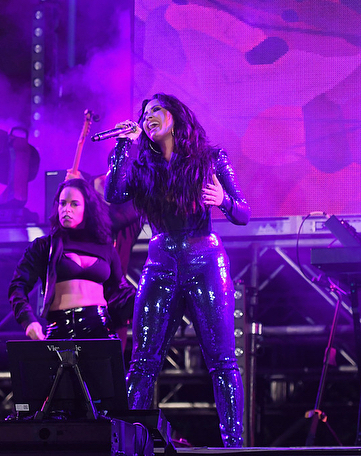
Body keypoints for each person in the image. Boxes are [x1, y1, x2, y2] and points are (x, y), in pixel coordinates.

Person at [105, 93, 251, 447]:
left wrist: (224, 201)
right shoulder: (142, 167)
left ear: (175, 116)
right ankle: (127, 445)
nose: (148, 116)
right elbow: (113, 193)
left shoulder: (211, 159)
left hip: (205, 260)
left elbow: (243, 213)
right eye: (144, 113)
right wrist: (124, 145)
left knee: (222, 361)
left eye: (156, 110)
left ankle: (234, 445)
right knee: (143, 361)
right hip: (160, 263)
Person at [8, 178, 136, 340]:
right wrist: (28, 321)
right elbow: (18, 286)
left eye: (74, 204)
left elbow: (120, 291)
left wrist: (148, 300)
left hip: (101, 328)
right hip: (60, 328)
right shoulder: (44, 246)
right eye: (62, 203)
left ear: (87, 209)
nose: (66, 209)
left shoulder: (105, 247)